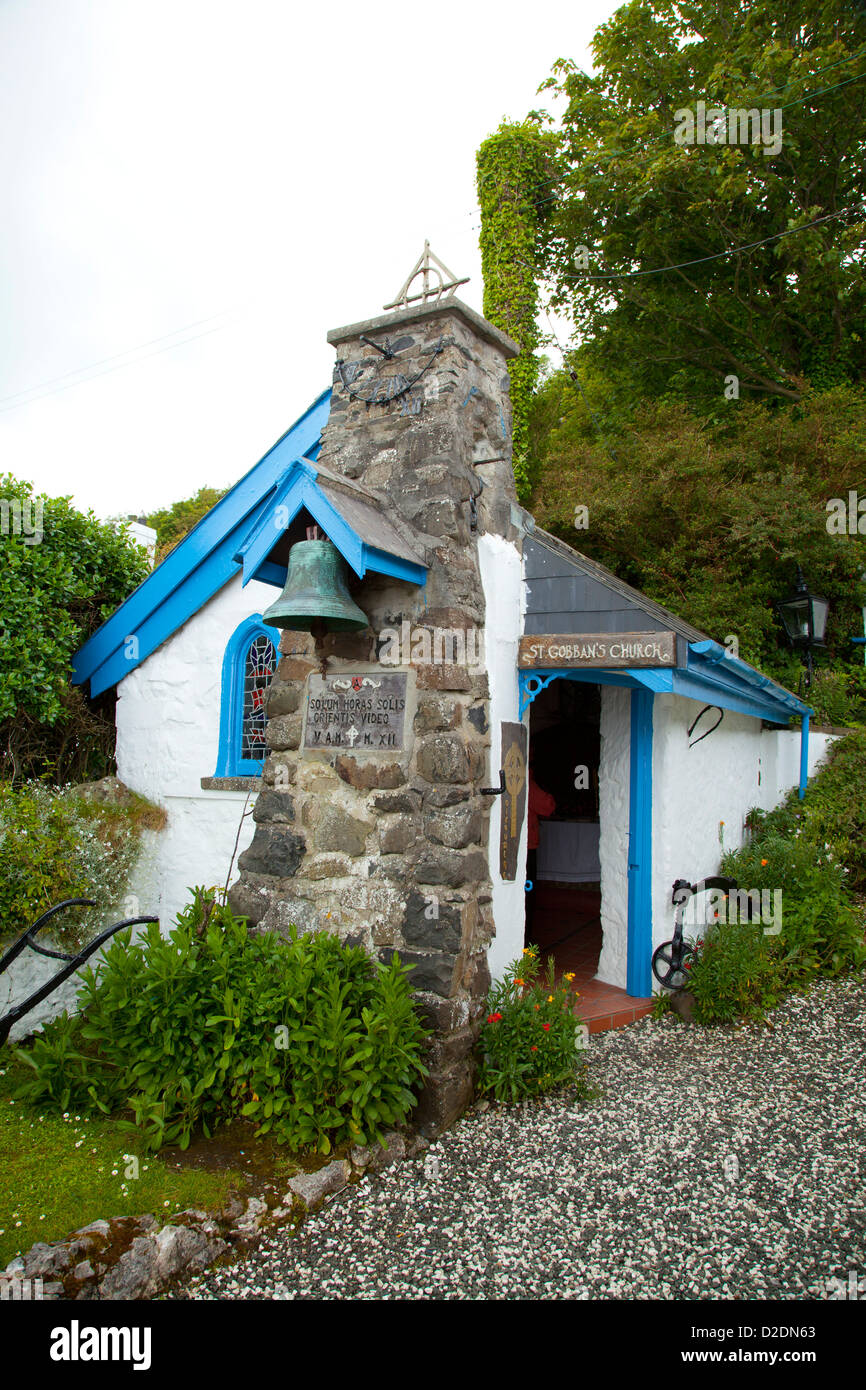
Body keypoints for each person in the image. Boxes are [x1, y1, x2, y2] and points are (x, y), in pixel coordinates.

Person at [526, 758, 556, 933]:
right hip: (528, 845)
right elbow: (547, 806)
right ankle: (526, 936)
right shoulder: (529, 784)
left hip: (522, 842)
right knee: (528, 892)